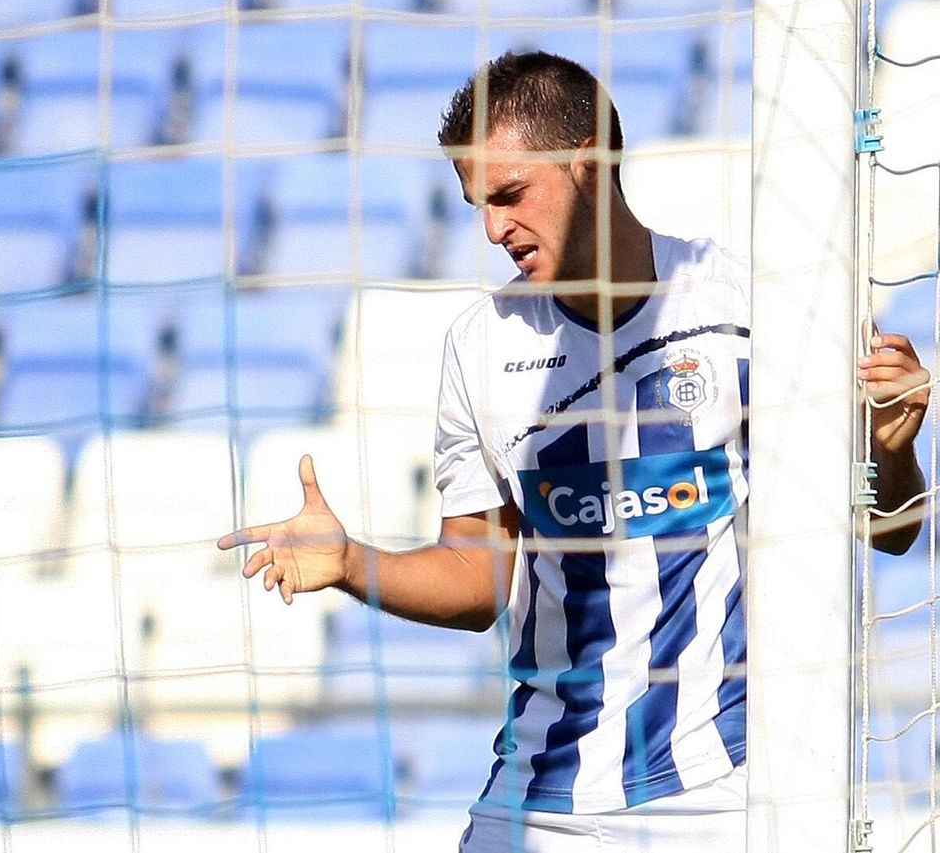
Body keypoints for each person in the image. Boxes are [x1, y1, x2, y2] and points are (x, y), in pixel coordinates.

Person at [218, 51, 931, 851]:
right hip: (541, 786)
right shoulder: (480, 347)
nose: (491, 229)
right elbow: (481, 571)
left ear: (588, 162)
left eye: (510, 194)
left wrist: (891, 449)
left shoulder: (749, 305)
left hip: (719, 786)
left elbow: (891, 530)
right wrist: (353, 562)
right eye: (476, 205)